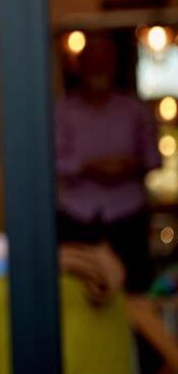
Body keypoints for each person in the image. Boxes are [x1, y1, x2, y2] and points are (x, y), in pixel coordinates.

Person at [55, 31, 162, 292]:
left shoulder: (134, 110)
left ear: (114, 64)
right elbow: (52, 162)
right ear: (80, 65)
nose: (98, 66)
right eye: (92, 59)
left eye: (104, 59)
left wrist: (128, 166)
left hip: (127, 214)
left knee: (134, 291)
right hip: (77, 216)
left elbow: (153, 159)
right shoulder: (62, 111)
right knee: (76, 291)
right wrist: (88, 167)